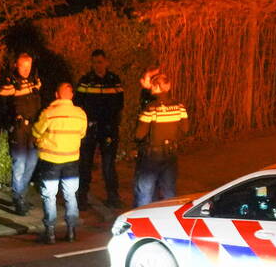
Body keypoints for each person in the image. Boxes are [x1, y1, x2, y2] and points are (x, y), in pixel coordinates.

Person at [32, 82, 87, 244]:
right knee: (70, 195)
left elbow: (35, 132)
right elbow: (82, 134)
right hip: (72, 159)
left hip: (51, 160)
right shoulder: (80, 114)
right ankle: (71, 231)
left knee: (49, 195)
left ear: (56, 95)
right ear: (71, 96)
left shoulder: (48, 114)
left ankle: (50, 233)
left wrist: (42, 141)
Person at [75, 49, 124, 209]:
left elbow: (120, 104)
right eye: (95, 62)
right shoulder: (85, 81)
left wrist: (114, 123)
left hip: (108, 128)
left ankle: (113, 196)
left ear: (106, 62)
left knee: (109, 164)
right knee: (85, 163)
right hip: (91, 127)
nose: (98, 65)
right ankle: (82, 197)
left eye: (100, 62)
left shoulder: (114, 80)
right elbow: (78, 103)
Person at [133, 73, 188, 208]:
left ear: (157, 87)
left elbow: (139, 134)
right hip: (171, 154)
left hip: (152, 155)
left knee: (145, 192)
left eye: (152, 85)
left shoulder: (151, 108)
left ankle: (143, 221)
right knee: (169, 191)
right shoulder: (179, 107)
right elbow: (185, 129)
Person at [3, 52, 42, 216]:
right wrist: (11, 123)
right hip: (19, 129)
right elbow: (4, 103)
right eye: (23, 66)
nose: (26, 70)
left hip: (33, 128)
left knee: (32, 163)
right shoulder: (10, 81)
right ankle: (18, 199)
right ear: (16, 66)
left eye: (29, 66)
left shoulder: (35, 80)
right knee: (19, 164)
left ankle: (21, 195)